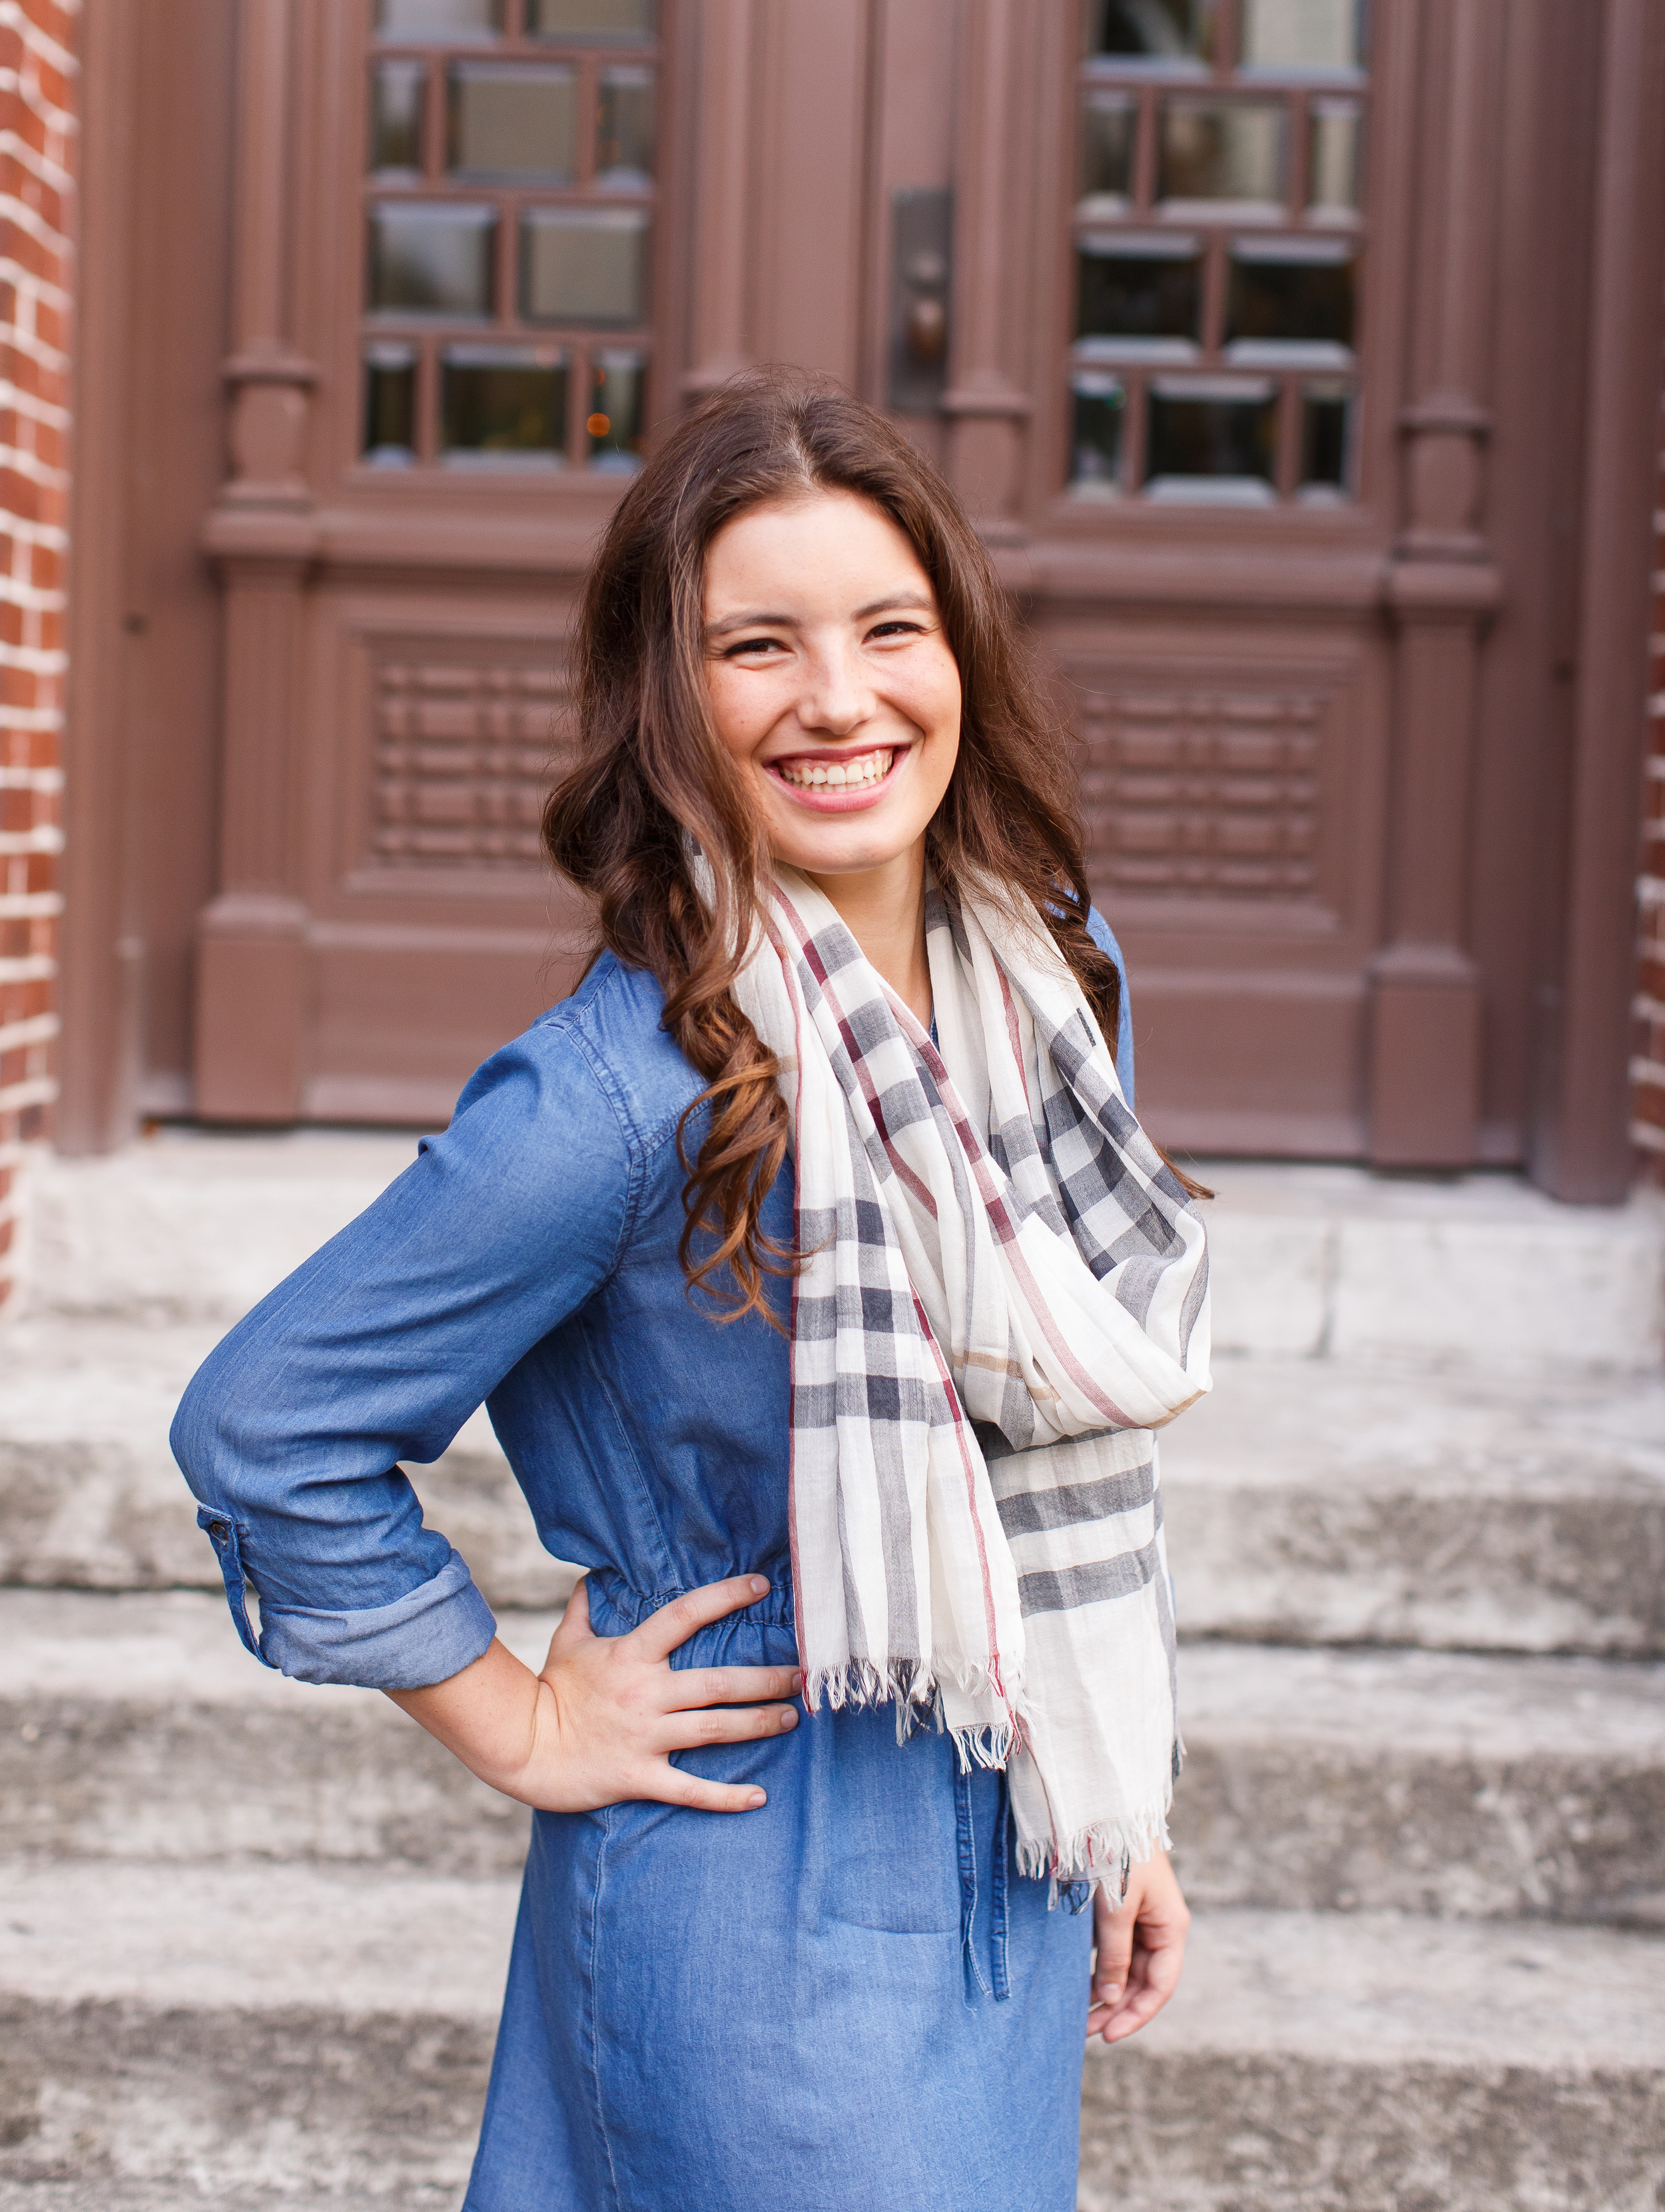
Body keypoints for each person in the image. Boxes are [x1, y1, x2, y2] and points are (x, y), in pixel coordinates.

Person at [172, 371, 1212, 2212]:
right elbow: (271, 1425)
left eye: (889, 626)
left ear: (958, 648)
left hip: (1007, 1824)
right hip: (762, 1880)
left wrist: (1107, 1806)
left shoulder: (1056, 975)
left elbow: (1031, 1462)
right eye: (756, 647)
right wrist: (515, 1714)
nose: (839, 697)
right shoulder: (624, 1091)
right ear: (669, 698)